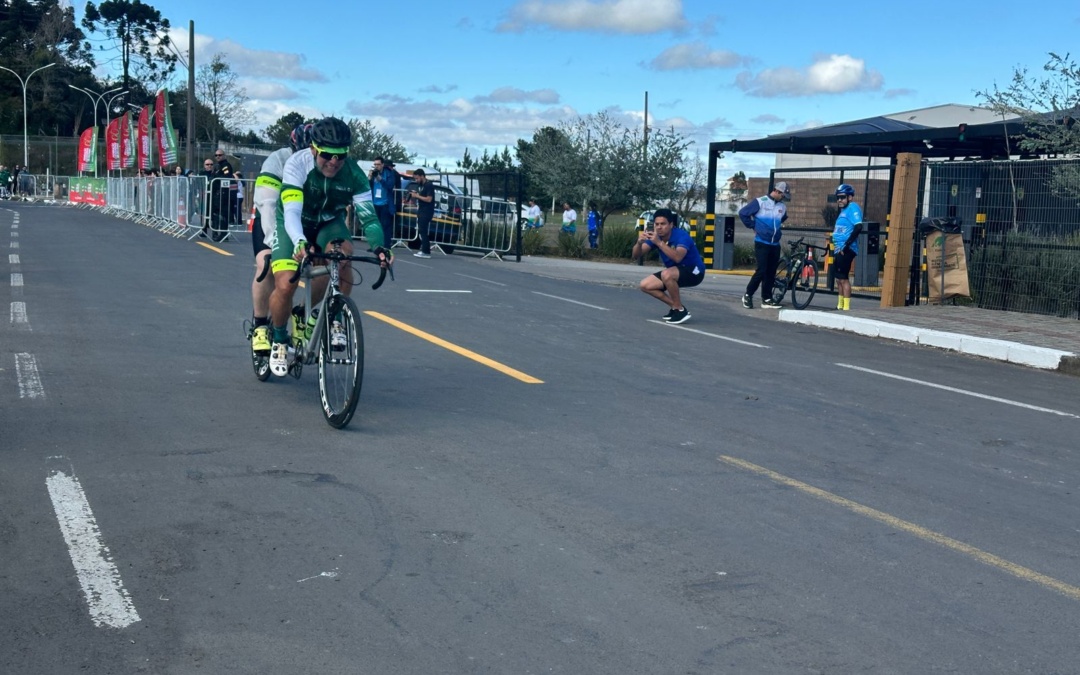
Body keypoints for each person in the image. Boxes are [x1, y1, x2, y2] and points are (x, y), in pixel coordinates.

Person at [266, 116, 391, 377]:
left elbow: (368, 217)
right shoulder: (297, 164)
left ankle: (327, 317)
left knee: (343, 257)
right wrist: (300, 242)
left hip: (328, 223)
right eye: (326, 155)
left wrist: (380, 247)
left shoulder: (355, 174)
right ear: (313, 149)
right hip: (295, 221)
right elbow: (291, 211)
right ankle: (279, 338)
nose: (334, 162)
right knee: (286, 282)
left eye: (340, 156)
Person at [247, 123, 312, 357]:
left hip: (303, 219)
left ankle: (300, 312)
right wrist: (277, 244)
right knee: (267, 264)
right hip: (271, 217)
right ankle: (261, 324)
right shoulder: (277, 160)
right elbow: (269, 205)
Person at [632, 208, 705, 325]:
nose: (659, 227)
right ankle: (677, 307)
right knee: (645, 285)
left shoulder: (681, 236)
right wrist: (639, 243)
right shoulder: (656, 237)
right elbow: (636, 255)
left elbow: (677, 258)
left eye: (663, 224)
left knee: (667, 274)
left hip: (694, 272)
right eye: (656, 224)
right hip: (674, 272)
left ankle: (679, 310)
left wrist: (659, 243)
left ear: (671, 225)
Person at [739, 181, 789, 309]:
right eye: (783, 195)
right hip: (761, 242)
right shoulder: (760, 202)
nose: (784, 198)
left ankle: (766, 298)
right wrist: (753, 226)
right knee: (761, 270)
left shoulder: (782, 207)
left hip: (775, 244)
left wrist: (776, 230)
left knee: (771, 272)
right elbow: (743, 213)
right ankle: (748, 295)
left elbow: (783, 218)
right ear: (777, 191)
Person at [831, 183, 862, 311]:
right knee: (838, 279)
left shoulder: (853, 208)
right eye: (838, 197)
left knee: (843, 279)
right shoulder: (843, 211)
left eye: (842, 197)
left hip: (846, 249)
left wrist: (846, 245)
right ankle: (840, 305)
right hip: (839, 248)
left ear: (850, 197)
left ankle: (846, 308)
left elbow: (858, 227)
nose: (839, 200)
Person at [368, 157, 398, 249]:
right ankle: (376, 245)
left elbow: (390, 186)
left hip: (385, 204)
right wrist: (369, 178)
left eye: (378, 164)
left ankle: (385, 246)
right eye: (375, 164)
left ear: (382, 165)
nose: (376, 166)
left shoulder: (389, 173)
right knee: (375, 226)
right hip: (375, 203)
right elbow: (368, 187)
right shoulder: (373, 173)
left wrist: (379, 178)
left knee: (385, 226)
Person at [406, 168, 436, 258]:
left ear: (422, 176)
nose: (416, 180)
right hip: (422, 210)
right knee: (421, 230)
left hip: (427, 211)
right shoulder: (422, 186)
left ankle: (426, 251)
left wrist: (417, 196)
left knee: (423, 231)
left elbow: (429, 199)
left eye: (417, 178)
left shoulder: (428, 185)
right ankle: (424, 250)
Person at [210, 149, 234, 239]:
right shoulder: (217, 166)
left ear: (224, 155)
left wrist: (215, 178)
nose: (218, 157)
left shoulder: (226, 166)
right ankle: (215, 232)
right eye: (216, 155)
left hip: (223, 193)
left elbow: (226, 176)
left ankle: (223, 234)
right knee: (215, 213)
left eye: (220, 155)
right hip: (216, 193)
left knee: (223, 214)